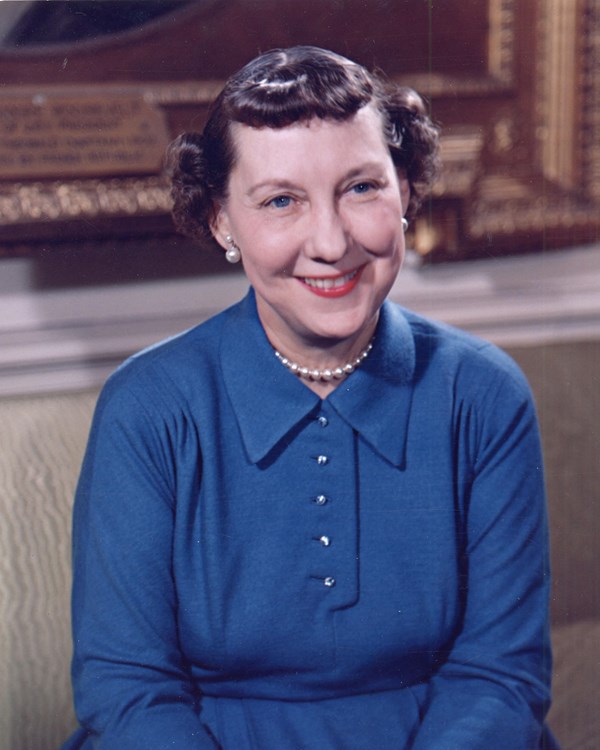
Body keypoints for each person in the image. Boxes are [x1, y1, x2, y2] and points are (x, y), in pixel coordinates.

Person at [62, 46, 559, 749]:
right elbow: (129, 688)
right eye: (280, 201)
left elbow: (501, 676)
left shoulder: (483, 396)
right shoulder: (147, 409)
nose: (331, 242)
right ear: (221, 221)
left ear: (409, 191)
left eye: (361, 189)